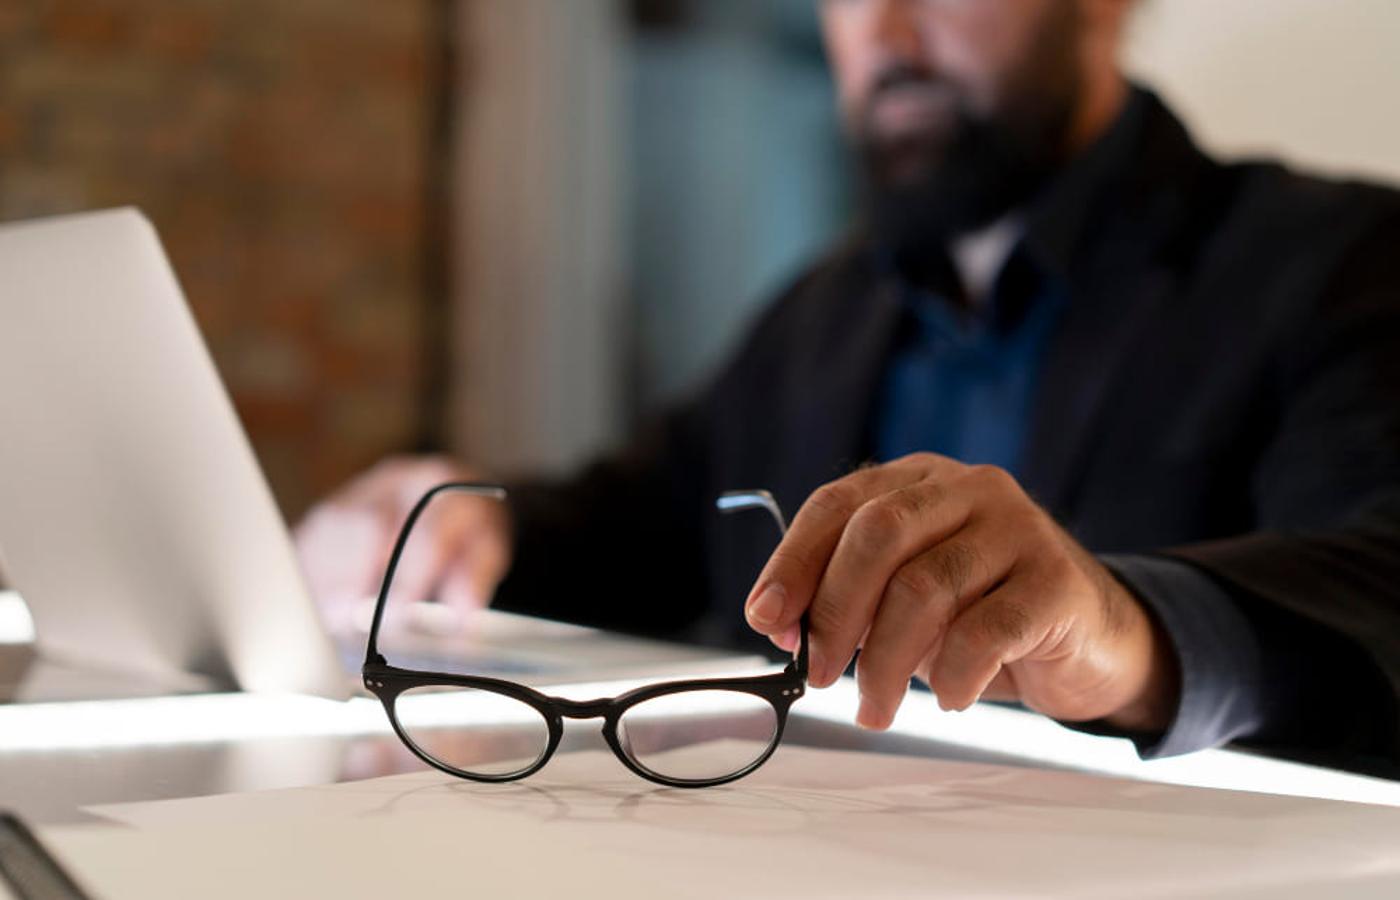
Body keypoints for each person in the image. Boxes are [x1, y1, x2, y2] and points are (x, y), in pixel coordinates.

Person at [296, 0, 1400, 774]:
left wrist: (1120, 630)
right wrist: (462, 532)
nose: (885, 32)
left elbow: (1381, 590)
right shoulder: (824, 310)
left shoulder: (1337, 262)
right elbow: (646, 522)